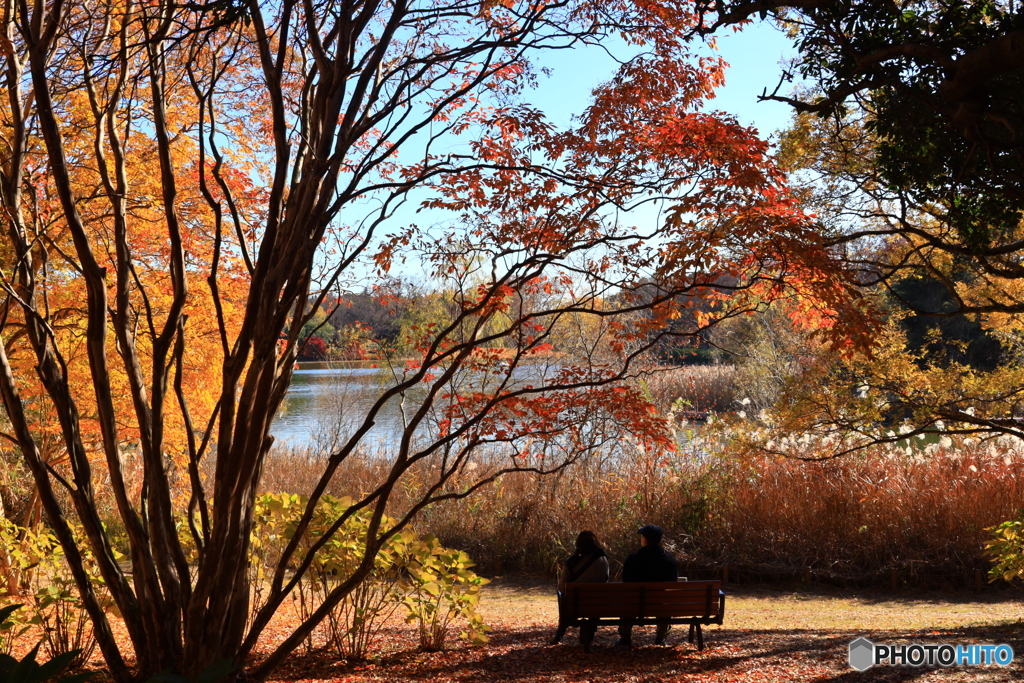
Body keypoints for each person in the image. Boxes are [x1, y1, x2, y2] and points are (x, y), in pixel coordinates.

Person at [616, 524, 678, 647]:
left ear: (644, 539)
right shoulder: (668, 560)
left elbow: (626, 582)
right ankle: (661, 638)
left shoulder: (632, 560)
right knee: (664, 604)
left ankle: (626, 638)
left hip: (634, 603)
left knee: (627, 603)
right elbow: (673, 581)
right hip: (660, 603)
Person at [551, 530, 609, 645]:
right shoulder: (603, 560)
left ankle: (559, 634)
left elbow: (562, 588)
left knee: (562, 599)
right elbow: (605, 580)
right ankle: (590, 636)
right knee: (595, 604)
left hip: (575, 605)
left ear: (578, 544)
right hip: (597, 605)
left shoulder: (571, 562)